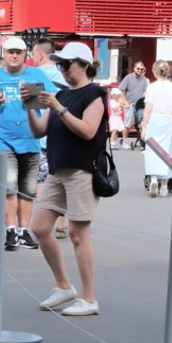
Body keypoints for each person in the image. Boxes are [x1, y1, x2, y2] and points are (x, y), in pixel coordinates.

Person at [27, 43, 108, 315]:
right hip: (58, 169)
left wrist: (58, 107)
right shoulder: (61, 93)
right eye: (60, 63)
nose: (62, 68)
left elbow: (88, 131)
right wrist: (30, 106)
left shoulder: (94, 94)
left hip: (82, 169)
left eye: (67, 63)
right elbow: (39, 131)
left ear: (84, 65)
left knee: (77, 233)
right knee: (39, 227)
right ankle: (63, 285)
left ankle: (89, 298)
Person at [0, 36, 56, 250]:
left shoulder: (35, 75)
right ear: (4, 54)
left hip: (31, 140)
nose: (14, 56)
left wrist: (39, 98)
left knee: (28, 190)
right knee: (9, 187)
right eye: (10, 52)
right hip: (2, 141)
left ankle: (23, 231)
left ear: (25, 55)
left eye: (18, 52)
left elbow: (55, 99)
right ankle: (10, 231)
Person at [140, 62, 172, 195]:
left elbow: (148, 108)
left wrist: (144, 126)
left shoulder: (151, 87)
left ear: (155, 71)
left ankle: (153, 178)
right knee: (168, 151)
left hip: (154, 121)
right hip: (168, 120)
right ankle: (164, 186)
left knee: (153, 150)